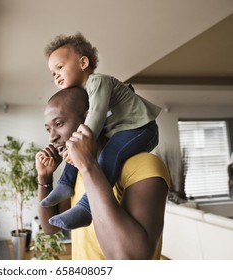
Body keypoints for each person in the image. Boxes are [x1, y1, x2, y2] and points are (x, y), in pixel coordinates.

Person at [40, 32, 162, 230]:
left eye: (60, 67)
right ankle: (65, 183)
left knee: (105, 152)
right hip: (120, 131)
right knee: (78, 143)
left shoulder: (98, 82)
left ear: (83, 62)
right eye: (53, 73)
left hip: (140, 129)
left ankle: (86, 208)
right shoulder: (84, 94)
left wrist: (75, 148)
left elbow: (95, 117)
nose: (56, 75)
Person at [36, 87, 170, 259]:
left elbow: (132, 260)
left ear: (89, 118)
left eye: (59, 123)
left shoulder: (144, 165)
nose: (52, 137)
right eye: (49, 129)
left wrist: (88, 166)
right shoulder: (78, 170)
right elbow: (51, 228)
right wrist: (44, 177)